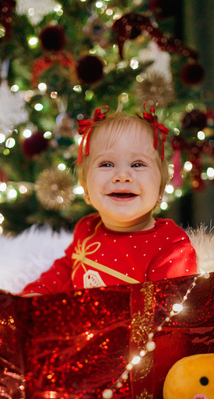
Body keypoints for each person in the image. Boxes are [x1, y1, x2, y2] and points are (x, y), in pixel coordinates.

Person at [21, 106, 198, 296]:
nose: (122, 176)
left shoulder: (169, 246)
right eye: (106, 164)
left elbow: (171, 313)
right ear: (86, 188)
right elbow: (64, 271)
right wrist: (37, 294)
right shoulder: (87, 229)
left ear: (161, 188)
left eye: (138, 164)